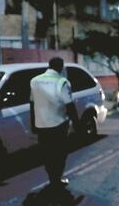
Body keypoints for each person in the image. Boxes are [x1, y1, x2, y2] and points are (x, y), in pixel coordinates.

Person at [29, 58, 80, 195]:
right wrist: (77, 125)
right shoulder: (62, 82)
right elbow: (69, 105)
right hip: (58, 125)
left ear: (49, 65)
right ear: (61, 67)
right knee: (60, 154)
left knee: (47, 154)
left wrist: (33, 124)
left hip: (41, 124)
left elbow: (32, 104)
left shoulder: (35, 81)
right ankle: (56, 180)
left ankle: (52, 179)